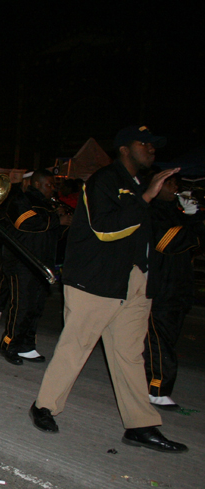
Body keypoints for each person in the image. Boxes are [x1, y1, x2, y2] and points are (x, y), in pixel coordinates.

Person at [29, 126, 187, 453]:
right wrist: (146, 197)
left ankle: (140, 425)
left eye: (154, 144)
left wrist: (172, 205)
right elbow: (104, 228)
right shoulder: (103, 181)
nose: (151, 148)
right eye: (144, 143)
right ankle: (44, 406)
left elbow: (154, 233)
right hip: (97, 280)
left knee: (130, 355)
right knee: (77, 346)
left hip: (133, 281)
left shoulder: (140, 186)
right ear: (124, 149)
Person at [142, 176, 204, 409]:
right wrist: (194, 222)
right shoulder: (152, 211)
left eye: (176, 184)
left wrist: (193, 216)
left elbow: (195, 242)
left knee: (167, 338)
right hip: (160, 286)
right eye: (170, 184)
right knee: (160, 340)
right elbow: (168, 241)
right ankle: (156, 388)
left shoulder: (175, 212)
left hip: (178, 285)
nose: (175, 188)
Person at [0, 169, 71, 365]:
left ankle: (26, 345)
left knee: (36, 307)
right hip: (23, 262)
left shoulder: (48, 205)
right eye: (49, 185)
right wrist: (57, 219)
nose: (52, 189)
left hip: (41, 262)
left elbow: (51, 235)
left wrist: (63, 224)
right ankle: (9, 345)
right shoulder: (21, 199)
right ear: (37, 184)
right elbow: (25, 222)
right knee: (22, 306)